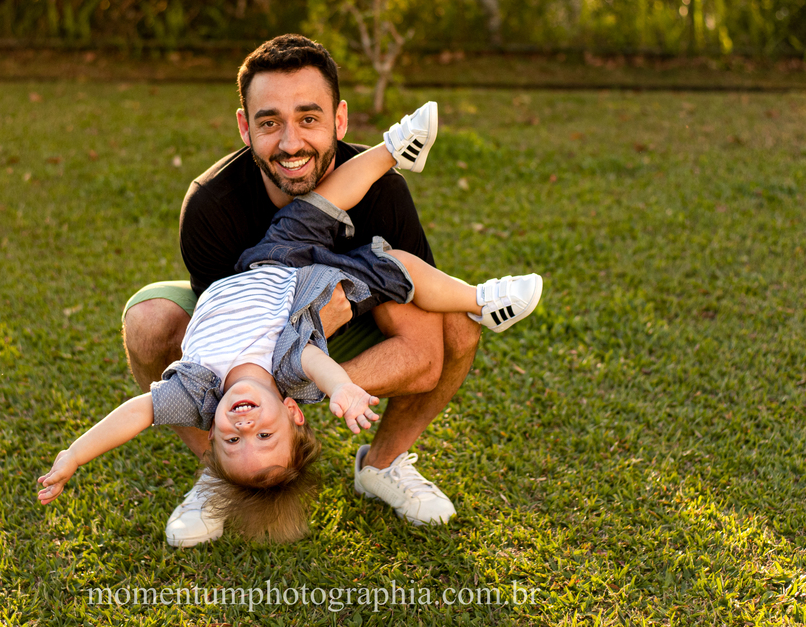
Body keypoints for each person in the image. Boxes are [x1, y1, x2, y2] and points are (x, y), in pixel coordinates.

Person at [37, 101, 542, 544]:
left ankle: (394, 150)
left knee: (320, 201)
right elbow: (314, 361)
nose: (245, 426)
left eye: (232, 441)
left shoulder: (197, 391)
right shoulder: (287, 371)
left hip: (267, 262)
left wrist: (74, 455)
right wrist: (341, 389)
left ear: (212, 432)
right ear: (291, 412)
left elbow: (136, 413)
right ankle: (479, 299)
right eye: (265, 436)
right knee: (397, 267)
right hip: (321, 285)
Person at [123, 34, 489, 547]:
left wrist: (306, 375)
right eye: (270, 122)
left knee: (456, 325)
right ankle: (221, 463)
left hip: (349, 316)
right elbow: (215, 334)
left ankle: (382, 465)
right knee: (148, 320)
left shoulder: (381, 189)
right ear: (245, 127)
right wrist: (267, 394)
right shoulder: (211, 204)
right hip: (247, 332)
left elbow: (424, 355)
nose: (291, 143)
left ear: (339, 120)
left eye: (309, 118)